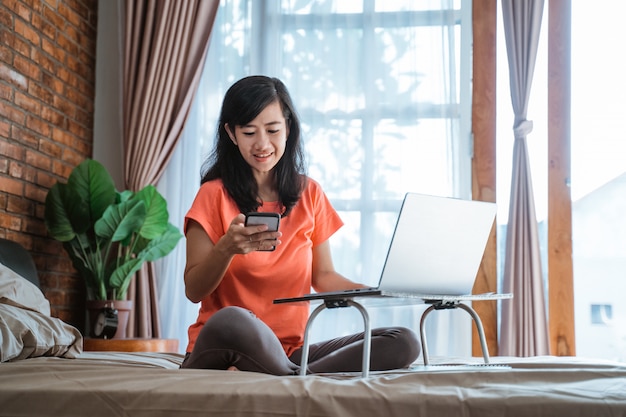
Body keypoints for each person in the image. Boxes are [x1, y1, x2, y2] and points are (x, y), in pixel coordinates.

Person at [181, 75, 420, 375]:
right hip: (227, 344)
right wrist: (226, 249)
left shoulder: (310, 193)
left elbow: (324, 277)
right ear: (231, 133)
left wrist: (376, 290)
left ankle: (290, 375)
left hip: (289, 352)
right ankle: (295, 375)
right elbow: (193, 290)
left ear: (288, 128)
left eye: (272, 130)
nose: (262, 144)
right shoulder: (212, 194)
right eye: (249, 132)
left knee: (403, 341)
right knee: (232, 319)